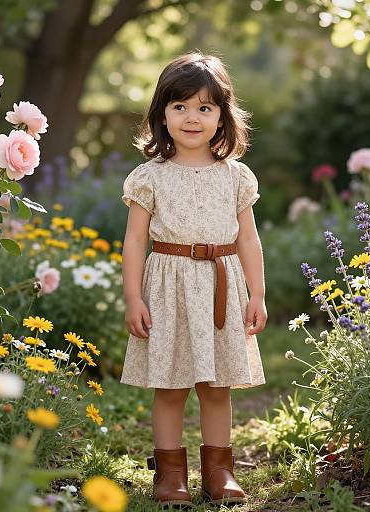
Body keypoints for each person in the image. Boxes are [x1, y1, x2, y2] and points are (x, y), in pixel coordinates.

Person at [120, 50, 267, 508]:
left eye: (205, 108)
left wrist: (257, 293)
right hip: (168, 288)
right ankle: (169, 475)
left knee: (217, 385)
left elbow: (249, 241)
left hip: (222, 285)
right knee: (171, 385)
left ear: (222, 118)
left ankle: (219, 471)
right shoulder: (150, 177)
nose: (191, 117)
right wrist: (132, 298)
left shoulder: (235, 176)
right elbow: (134, 242)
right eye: (180, 106)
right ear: (161, 114)